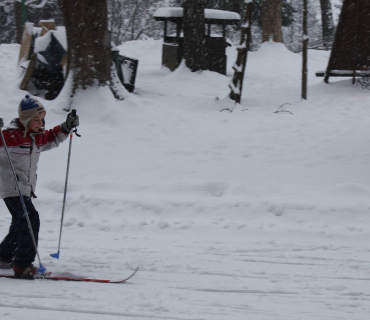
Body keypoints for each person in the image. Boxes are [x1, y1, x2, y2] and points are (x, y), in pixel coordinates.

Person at [0, 95, 79, 278]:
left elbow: (51, 138)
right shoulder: (8, 137)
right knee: (30, 220)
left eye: (41, 118)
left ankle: (4, 255)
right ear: (25, 119)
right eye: (35, 119)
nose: (39, 122)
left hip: (25, 188)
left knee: (21, 222)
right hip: (12, 188)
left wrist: (66, 127)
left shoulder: (35, 138)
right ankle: (22, 265)